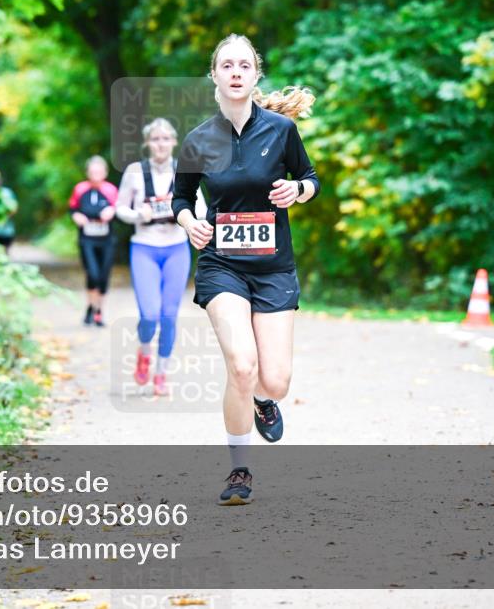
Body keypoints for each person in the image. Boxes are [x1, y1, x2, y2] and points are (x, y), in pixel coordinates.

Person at [171, 33, 319, 505]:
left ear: (255, 76)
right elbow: (179, 197)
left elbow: (310, 179)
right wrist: (190, 221)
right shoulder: (198, 140)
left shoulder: (280, 130)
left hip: (273, 267)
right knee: (241, 364)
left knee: (274, 380)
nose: (235, 72)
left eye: (244, 65)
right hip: (222, 266)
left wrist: (297, 192)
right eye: (226, 65)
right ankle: (239, 470)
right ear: (214, 75)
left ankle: (262, 399)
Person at [116, 118, 207, 396]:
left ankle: (161, 373)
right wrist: (136, 214)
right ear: (147, 143)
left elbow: (201, 208)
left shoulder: (184, 170)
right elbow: (120, 207)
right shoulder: (134, 171)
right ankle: (144, 352)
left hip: (176, 247)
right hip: (144, 246)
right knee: (150, 314)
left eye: (166, 139)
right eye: (155, 139)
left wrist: (187, 218)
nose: (160, 144)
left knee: (169, 315)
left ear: (174, 142)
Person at [69, 155, 118, 327]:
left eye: (99, 171)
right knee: (93, 273)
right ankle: (91, 306)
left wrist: (112, 211)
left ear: (105, 172)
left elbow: (121, 209)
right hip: (87, 239)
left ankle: (98, 311)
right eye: (92, 171)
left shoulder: (111, 190)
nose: (96, 174)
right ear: (88, 172)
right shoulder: (80, 189)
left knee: (103, 275)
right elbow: (72, 209)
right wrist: (77, 216)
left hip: (106, 239)